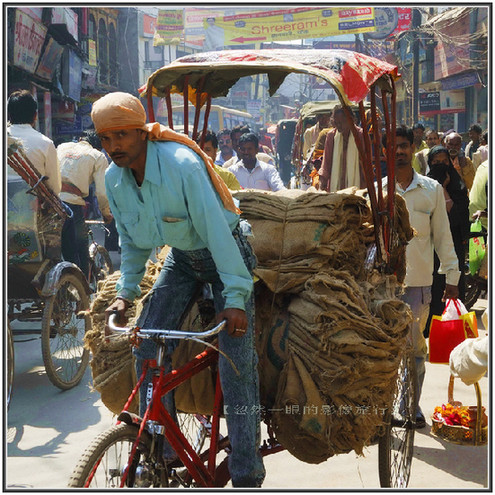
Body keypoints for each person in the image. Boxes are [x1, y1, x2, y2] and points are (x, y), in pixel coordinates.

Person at [91, 92, 265, 487]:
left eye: (122, 135)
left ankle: (246, 474)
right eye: (106, 139)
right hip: (183, 258)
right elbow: (132, 240)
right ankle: (162, 452)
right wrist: (125, 294)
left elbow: (219, 234)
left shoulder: (181, 166)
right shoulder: (115, 180)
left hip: (225, 255)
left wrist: (236, 299)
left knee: (235, 365)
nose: (114, 146)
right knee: (145, 345)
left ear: (141, 132)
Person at [384, 125, 460, 429]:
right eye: (394, 146)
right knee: (386, 351)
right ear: (387, 151)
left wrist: (451, 274)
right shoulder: (379, 190)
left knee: (415, 351)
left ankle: (411, 407)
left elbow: (443, 235)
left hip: (419, 285)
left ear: (413, 149)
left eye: (405, 145)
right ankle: (384, 411)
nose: (400, 151)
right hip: (384, 286)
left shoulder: (430, 190)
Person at [424, 145, 470, 334]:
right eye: (436, 163)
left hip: (453, 247)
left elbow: (457, 216)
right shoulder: (423, 187)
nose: (441, 166)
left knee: (452, 286)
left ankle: (451, 331)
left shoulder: (458, 187)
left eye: (444, 162)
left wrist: (443, 189)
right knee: (432, 288)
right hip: (430, 248)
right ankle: (430, 329)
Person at [57, 131, 113, 277]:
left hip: (51, 202)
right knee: (80, 249)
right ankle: (82, 291)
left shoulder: (62, 147)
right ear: (99, 147)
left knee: (55, 247)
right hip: (73, 205)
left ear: (81, 139)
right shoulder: (98, 156)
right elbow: (101, 192)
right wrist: (106, 214)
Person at [7, 89, 61, 195]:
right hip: (32, 207)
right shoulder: (46, 143)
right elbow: (55, 187)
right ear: (35, 116)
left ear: (8, 114)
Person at [319, 106, 365, 192]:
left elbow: (365, 167)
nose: (339, 126)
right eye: (336, 123)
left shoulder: (361, 136)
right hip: (335, 190)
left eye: (342, 122)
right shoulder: (331, 136)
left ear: (351, 120)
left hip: (357, 190)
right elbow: (326, 165)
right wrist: (321, 188)